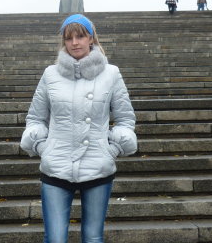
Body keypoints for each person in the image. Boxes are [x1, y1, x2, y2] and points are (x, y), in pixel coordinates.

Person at [20, 14, 137, 243]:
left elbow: (125, 118)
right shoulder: (50, 74)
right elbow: (35, 118)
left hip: (97, 166)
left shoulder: (111, 74)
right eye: (69, 38)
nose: (74, 43)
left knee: (93, 238)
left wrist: (111, 150)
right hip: (56, 166)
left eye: (80, 36)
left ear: (91, 38)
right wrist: (44, 148)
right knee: (55, 239)